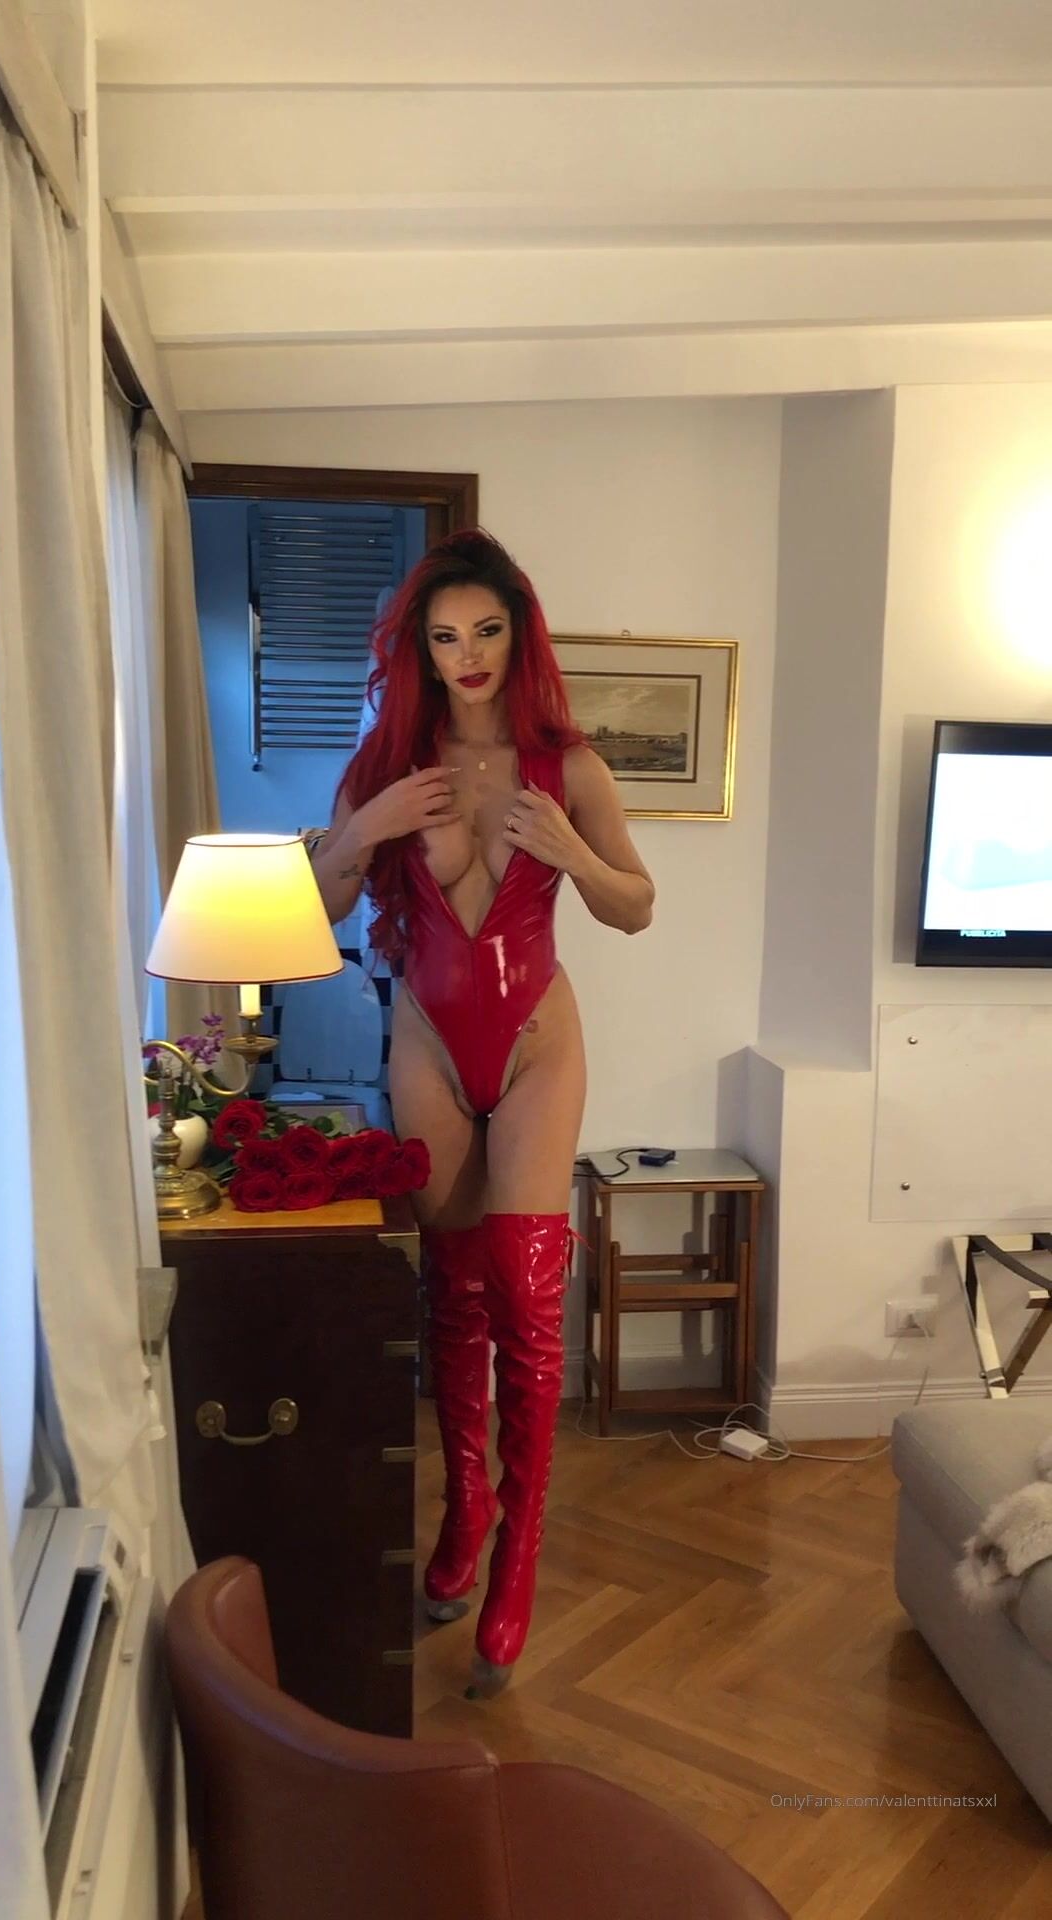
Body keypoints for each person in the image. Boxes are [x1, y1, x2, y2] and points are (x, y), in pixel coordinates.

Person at [311, 529, 654, 1695]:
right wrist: (362, 830)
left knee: (526, 1295)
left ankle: (518, 1562)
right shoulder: (385, 763)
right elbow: (323, 902)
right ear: (421, 646)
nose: (469, 655)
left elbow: (635, 907)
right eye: (447, 635)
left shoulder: (570, 766)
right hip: (427, 1041)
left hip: (538, 1042)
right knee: (451, 1294)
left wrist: (571, 852)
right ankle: (467, 1512)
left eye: (488, 631)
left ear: (520, 635)